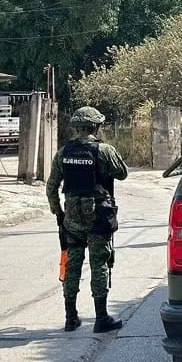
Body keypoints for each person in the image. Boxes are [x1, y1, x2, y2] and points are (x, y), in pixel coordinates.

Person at [46, 106, 129, 333]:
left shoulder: (63, 153)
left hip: (72, 219)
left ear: (76, 128)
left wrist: (58, 212)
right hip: (98, 218)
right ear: (96, 126)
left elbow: (52, 187)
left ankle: (70, 318)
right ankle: (101, 318)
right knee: (99, 264)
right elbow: (122, 173)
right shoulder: (104, 150)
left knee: (72, 265)